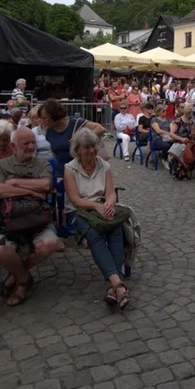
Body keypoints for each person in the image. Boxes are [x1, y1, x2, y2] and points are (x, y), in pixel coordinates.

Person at [0, 128, 59, 307]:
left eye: (33, 142)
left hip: (37, 218)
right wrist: (30, 190)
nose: (31, 146)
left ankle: (17, 276)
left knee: (50, 243)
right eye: (25, 143)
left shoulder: (42, 165)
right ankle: (24, 279)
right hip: (6, 219)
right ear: (13, 146)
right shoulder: (0, 165)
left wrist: (13, 183)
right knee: (2, 250)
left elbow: (45, 184)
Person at [63, 129, 130, 310]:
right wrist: (96, 207)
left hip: (102, 208)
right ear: (77, 150)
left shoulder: (104, 166)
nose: (91, 151)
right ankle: (118, 282)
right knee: (94, 234)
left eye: (93, 146)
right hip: (79, 211)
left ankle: (112, 287)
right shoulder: (70, 169)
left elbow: (110, 193)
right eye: (86, 148)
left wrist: (108, 205)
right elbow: (75, 200)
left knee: (115, 228)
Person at [41, 100, 106, 171]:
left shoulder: (75, 123)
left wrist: (81, 139)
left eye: (45, 118)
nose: (42, 121)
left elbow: (100, 128)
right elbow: (54, 153)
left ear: (54, 115)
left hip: (81, 169)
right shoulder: (49, 131)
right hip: (61, 169)